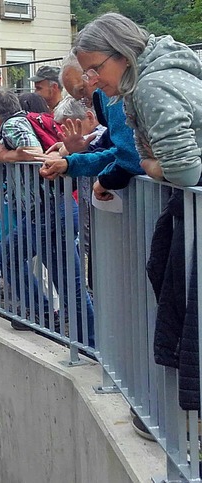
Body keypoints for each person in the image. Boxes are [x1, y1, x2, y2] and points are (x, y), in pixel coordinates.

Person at [73, 11, 202, 417]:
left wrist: (151, 167)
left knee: (184, 311)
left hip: (191, 208)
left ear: (123, 55)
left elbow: (183, 170)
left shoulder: (151, 86)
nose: (92, 81)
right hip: (186, 210)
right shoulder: (148, 83)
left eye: (95, 69)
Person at [0, 87, 94, 344]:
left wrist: (4, 155)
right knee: (69, 282)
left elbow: (37, 154)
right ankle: (87, 341)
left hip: (47, 210)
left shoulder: (12, 125)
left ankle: (50, 316)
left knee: (7, 257)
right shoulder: (22, 121)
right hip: (56, 207)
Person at [38, 52, 144, 199]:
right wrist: (70, 163)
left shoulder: (115, 98)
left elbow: (131, 158)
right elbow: (120, 154)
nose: (87, 103)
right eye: (79, 99)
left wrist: (106, 180)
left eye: (82, 91)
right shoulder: (114, 97)